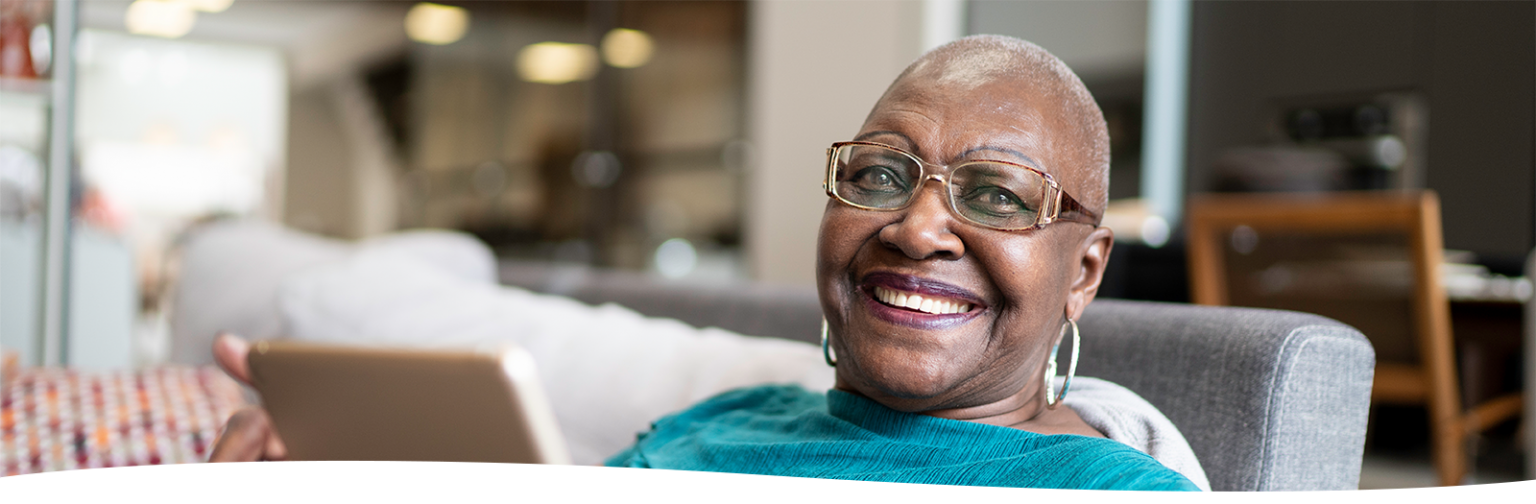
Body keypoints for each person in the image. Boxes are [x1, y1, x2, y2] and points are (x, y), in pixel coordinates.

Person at [210, 35, 1203, 491]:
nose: (917, 228)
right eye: (879, 175)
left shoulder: (1107, 486)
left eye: (996, 195)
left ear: (1083, 272)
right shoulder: (715, 426)